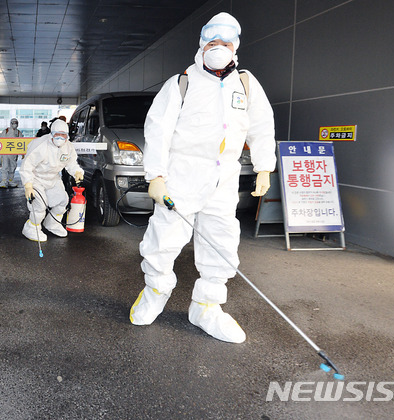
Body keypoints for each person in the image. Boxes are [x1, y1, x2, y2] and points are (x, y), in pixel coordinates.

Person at [129, 12, 276, 344]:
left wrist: (264, 166)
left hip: (223, 178)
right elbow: (158, 131)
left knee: (221, 243)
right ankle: (154, 293)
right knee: (164, 240)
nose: (218, 47)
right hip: (182, 175)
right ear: (202, 44)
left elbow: (261, 126)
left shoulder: (246, 84)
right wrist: (156, 175)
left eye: (226, 42)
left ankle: (206, 307)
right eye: (213, 41)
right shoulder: (182, 82)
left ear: (235, 47)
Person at [20, 119, 84, 241]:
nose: (60, 138)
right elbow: (26, 166)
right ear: (51, 134)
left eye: (63, 135)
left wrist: (77, 172)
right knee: (39, 205)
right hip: (36, 178)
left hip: (53, 178)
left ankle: (52, 223)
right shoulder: (40, 145)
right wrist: (28, 185)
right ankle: (31, 227)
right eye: (57, 135)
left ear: (67, 135)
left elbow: (71, 163)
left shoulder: (68, 147)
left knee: (63, 201)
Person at [0, 118, 23, 188]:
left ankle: (10, 180)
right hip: (5, 153)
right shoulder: (5, 131)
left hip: (14, 153)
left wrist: (23, 153)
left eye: (16, 123)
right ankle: (3, 181)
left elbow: (21, 142)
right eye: (13, 123)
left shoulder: (18, 132)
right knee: (5, 166)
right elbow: (1, 141)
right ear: (11, 123)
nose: (14, 124)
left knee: (12, 167)